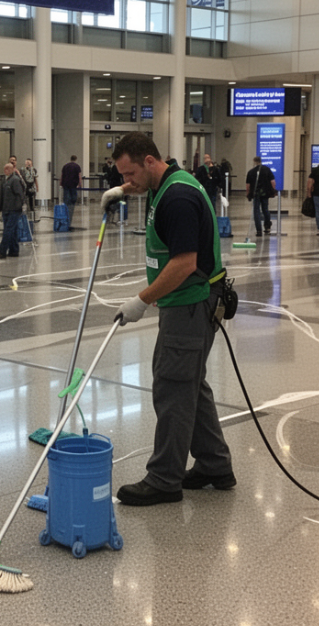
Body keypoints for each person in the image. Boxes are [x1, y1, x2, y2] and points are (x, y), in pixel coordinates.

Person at [101, 131, 233, 506]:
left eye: (129, 175)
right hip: (186, 304)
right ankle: (214, 465)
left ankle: (164, 479)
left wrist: (141, 300)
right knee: (190, 383)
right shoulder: (164, 182)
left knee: (173, 387)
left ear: (148, 161)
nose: (127, 182)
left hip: (191, 303)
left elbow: (184, 263)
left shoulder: (177, 197)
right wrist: (119, 193)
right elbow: (141, 187)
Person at [0, 162, 25, 259]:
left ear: (12, 170)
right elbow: (1, 195)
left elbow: (20, 194)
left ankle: (2, 251)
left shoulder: (15, 180)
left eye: (7, 168)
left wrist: (21, 206)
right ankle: (14, 250)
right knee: (13, 230)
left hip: (14, 209)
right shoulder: (4, 180)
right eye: (4, 168)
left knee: (8, 230)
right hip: (6, 209)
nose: (5, 170)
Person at [245, 157, 276, 236]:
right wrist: (272, 191)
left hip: (256, 194)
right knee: (265, 209)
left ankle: (258, 230)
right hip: (265, 193)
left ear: (254, 162)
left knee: (256, 211)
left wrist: (248, 194)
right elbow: (273, 182)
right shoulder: (267, 170)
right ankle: (267, 226)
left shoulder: (251, 172)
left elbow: (248, 185)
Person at [60, 155, 83, 230]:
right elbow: (79, 176)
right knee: (72, 202)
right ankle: (69, 219)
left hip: (66, 186)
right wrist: (80, 184)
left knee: (66, 201)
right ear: (76, 159)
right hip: (73, 186)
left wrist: (61, 183)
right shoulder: (77, 166)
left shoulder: (65, 166)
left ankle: (66, 220)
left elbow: (62, 176)